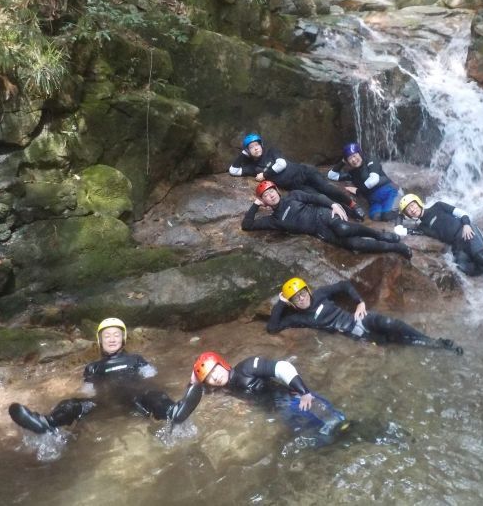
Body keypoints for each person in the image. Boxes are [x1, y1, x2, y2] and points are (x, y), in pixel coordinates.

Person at [8, 318, 202, 434]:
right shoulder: (93, 367)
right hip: (105, 402)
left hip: (137, 397)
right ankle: (46, 423)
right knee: (71, 404)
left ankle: (173, 411)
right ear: (100, 341)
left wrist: (157, 388)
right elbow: (88, 390)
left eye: (116, 335)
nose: (111, 339)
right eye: (107, 336)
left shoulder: (135, 359)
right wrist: (81, 398)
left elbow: (153, 376)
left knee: (154, 393)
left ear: (123, 339)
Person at [268, 277, 463, 354]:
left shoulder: (319, 294)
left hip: (358, 318)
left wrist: (359, 301)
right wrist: (281, 302)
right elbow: (273, 327)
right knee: (394, 341)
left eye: (302, 294)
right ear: (292, 302)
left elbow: (344, 284)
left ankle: (432, 340)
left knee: (391, 323)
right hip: (354, 332)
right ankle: (436, 346)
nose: (301, 299)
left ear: (308, 291)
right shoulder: (298, 318)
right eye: (296, 298)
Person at [241, 180, 413, 260]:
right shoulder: (273, 220)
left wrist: (333, 205)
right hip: (319, 232)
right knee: (355, 245)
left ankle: (380, 234)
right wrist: (255, 205)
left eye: (271, 192)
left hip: (323, 215)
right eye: (265, 196)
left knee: (343, 229)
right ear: (264, 201)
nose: (270, 196)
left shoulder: (293, 196)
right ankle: (396, 247)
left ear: (277, 191)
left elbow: (316, 197)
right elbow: (247, 226)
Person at [192, 351, 348, 436]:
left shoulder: (246, 367)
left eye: (215, 369)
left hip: (296, 400)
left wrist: (304, 392)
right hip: (281, 412)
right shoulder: (225, 388)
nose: (215, 376)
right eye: (209, 377)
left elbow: (282, 368)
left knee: (339, 426)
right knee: (321, 438)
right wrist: (195, 379)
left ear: (222, 363)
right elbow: (197, 388)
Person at [228, 133, 366, 221]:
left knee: (326, 188)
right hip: (295, 185)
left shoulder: (272, 151)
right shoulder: (253, 168)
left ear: (261, 145)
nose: (256, 148)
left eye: (257, 144)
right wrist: (243, 155)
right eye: (251, 147)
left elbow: (281, 164)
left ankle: (352, 205)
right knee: (318, 197)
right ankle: (347, 212)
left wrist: (264, 174)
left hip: (304, 172)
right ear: (248, 151)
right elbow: (233, 171)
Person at [396, 194, 483, 276]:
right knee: (465, 269)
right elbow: (401, 230)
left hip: (466, 232)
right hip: (457, 245)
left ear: (418, 203)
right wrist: (399, 215)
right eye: (409, 210)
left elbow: (461, 213)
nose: (412, 210)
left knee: (482, 257)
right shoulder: (422, 226)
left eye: (412, 206)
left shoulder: (438, 206)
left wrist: (466, 225)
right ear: (408, 214)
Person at [328, 142, 400, 221]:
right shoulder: (353, 173)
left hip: (391, 192)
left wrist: (358, 191)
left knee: (388, 215)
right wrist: (342, 162)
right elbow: (332, 175)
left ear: (360, 154)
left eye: (354, 156)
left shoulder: (371, 160)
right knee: (375, 217)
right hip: (375, 201)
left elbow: (374, 180)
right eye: (350, 159)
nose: (354, 160)